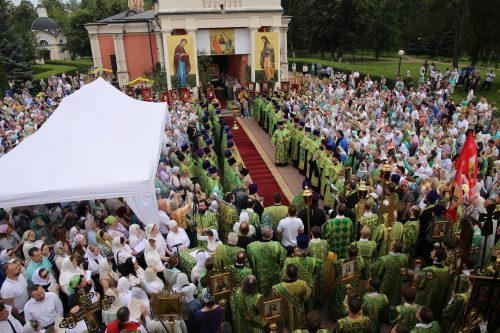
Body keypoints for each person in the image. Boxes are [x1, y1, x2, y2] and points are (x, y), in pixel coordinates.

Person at [272, 264, 312, 331]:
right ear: (297, 273)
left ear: (287, 273)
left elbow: (275, 305)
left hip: (285, 314)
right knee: (298, 327)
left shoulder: (276, 288)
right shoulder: (303, 284)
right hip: (298, 311)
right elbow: (307, 297)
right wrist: (302, 299)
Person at [247, 226, 286, 295]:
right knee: (274, 294)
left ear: (262, 234)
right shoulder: (277, 245)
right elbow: (282, 261)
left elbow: (250, 263)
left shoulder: (252, 246)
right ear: (271, 234)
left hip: (260, 278)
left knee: (263, 295)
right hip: (275, 276)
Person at [415, 247, 451, 321]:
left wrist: (417, 267)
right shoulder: (447, 269)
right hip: (439, 299)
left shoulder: (428, 270)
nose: (431, 252)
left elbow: (417, 281)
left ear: (436, 258)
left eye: (433, 252)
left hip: (426, 299)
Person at [372, 240, 408, 306]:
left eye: (391, 244)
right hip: (397, 284)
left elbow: (375, 271)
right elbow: (405, 270)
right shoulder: (404, 257)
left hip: (385, 285)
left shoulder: (384, 259)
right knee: (394, 300)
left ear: (392, 248)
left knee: (383, 302)